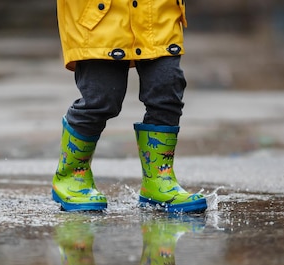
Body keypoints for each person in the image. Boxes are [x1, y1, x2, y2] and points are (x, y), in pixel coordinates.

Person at [52, 0, 207, 213]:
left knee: (167, 90)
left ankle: (159, 180)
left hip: (157, 13)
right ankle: (71, 174)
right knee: (102, 99)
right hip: (98, 19)